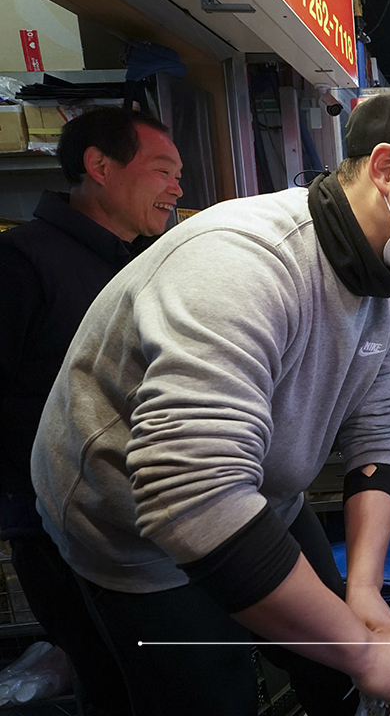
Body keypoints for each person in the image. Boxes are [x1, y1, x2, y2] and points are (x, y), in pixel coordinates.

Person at [29, 88, 390, 714]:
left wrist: (364, 592)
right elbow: (191, 494)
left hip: (265, 494)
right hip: (131, 529)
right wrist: (367, 653)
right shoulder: (242, 262)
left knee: (334, 665)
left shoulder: (386, 281)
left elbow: (377, 423)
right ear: (386, 166)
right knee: (211, 690)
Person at [0, 108, 184, 716]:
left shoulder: (144, 260)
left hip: (142, 521)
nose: (176, 188)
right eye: (162, 169)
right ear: (99, 166)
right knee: (115, 681)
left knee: (164, 681)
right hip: (58, 527)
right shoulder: (22, 261)